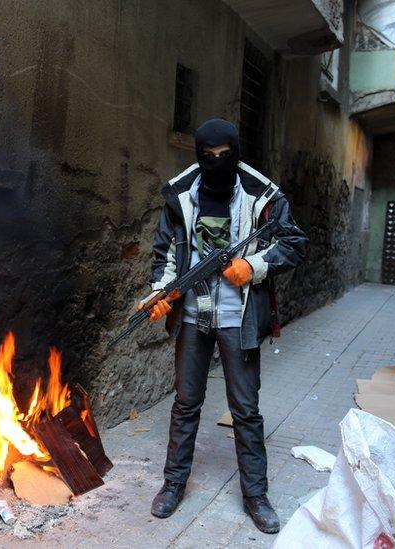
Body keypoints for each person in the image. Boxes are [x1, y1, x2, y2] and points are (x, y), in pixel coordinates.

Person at [140, 118, 308, 534]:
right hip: (195, 316)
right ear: (197, 154)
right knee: (185, 404)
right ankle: (173, 484)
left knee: (246, 411)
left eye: (224, 156)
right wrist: (162, 294)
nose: (216, 163)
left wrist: (251, 266)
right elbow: (164, 256)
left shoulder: (261, 194)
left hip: (239, 317)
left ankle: (256, 494)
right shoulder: (181, 195)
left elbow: (293, 243)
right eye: (207, 156)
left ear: (236, 151)